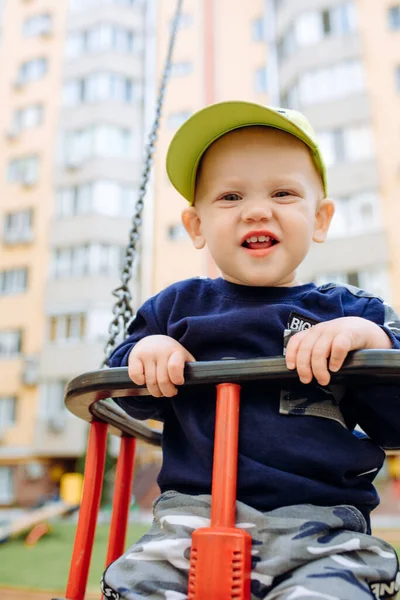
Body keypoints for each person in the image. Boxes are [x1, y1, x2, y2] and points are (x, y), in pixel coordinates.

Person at [102, 101, 400, 600]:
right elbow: (125, 392)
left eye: (283, 192)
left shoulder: (352, 313)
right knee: (134, 584)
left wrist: (371, 343)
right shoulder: (176, 310)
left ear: (320, 218)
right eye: (230, 195)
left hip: (323, 527)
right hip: (186, 524)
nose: (257, 209)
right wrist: (148, 351)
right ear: (196, 226)